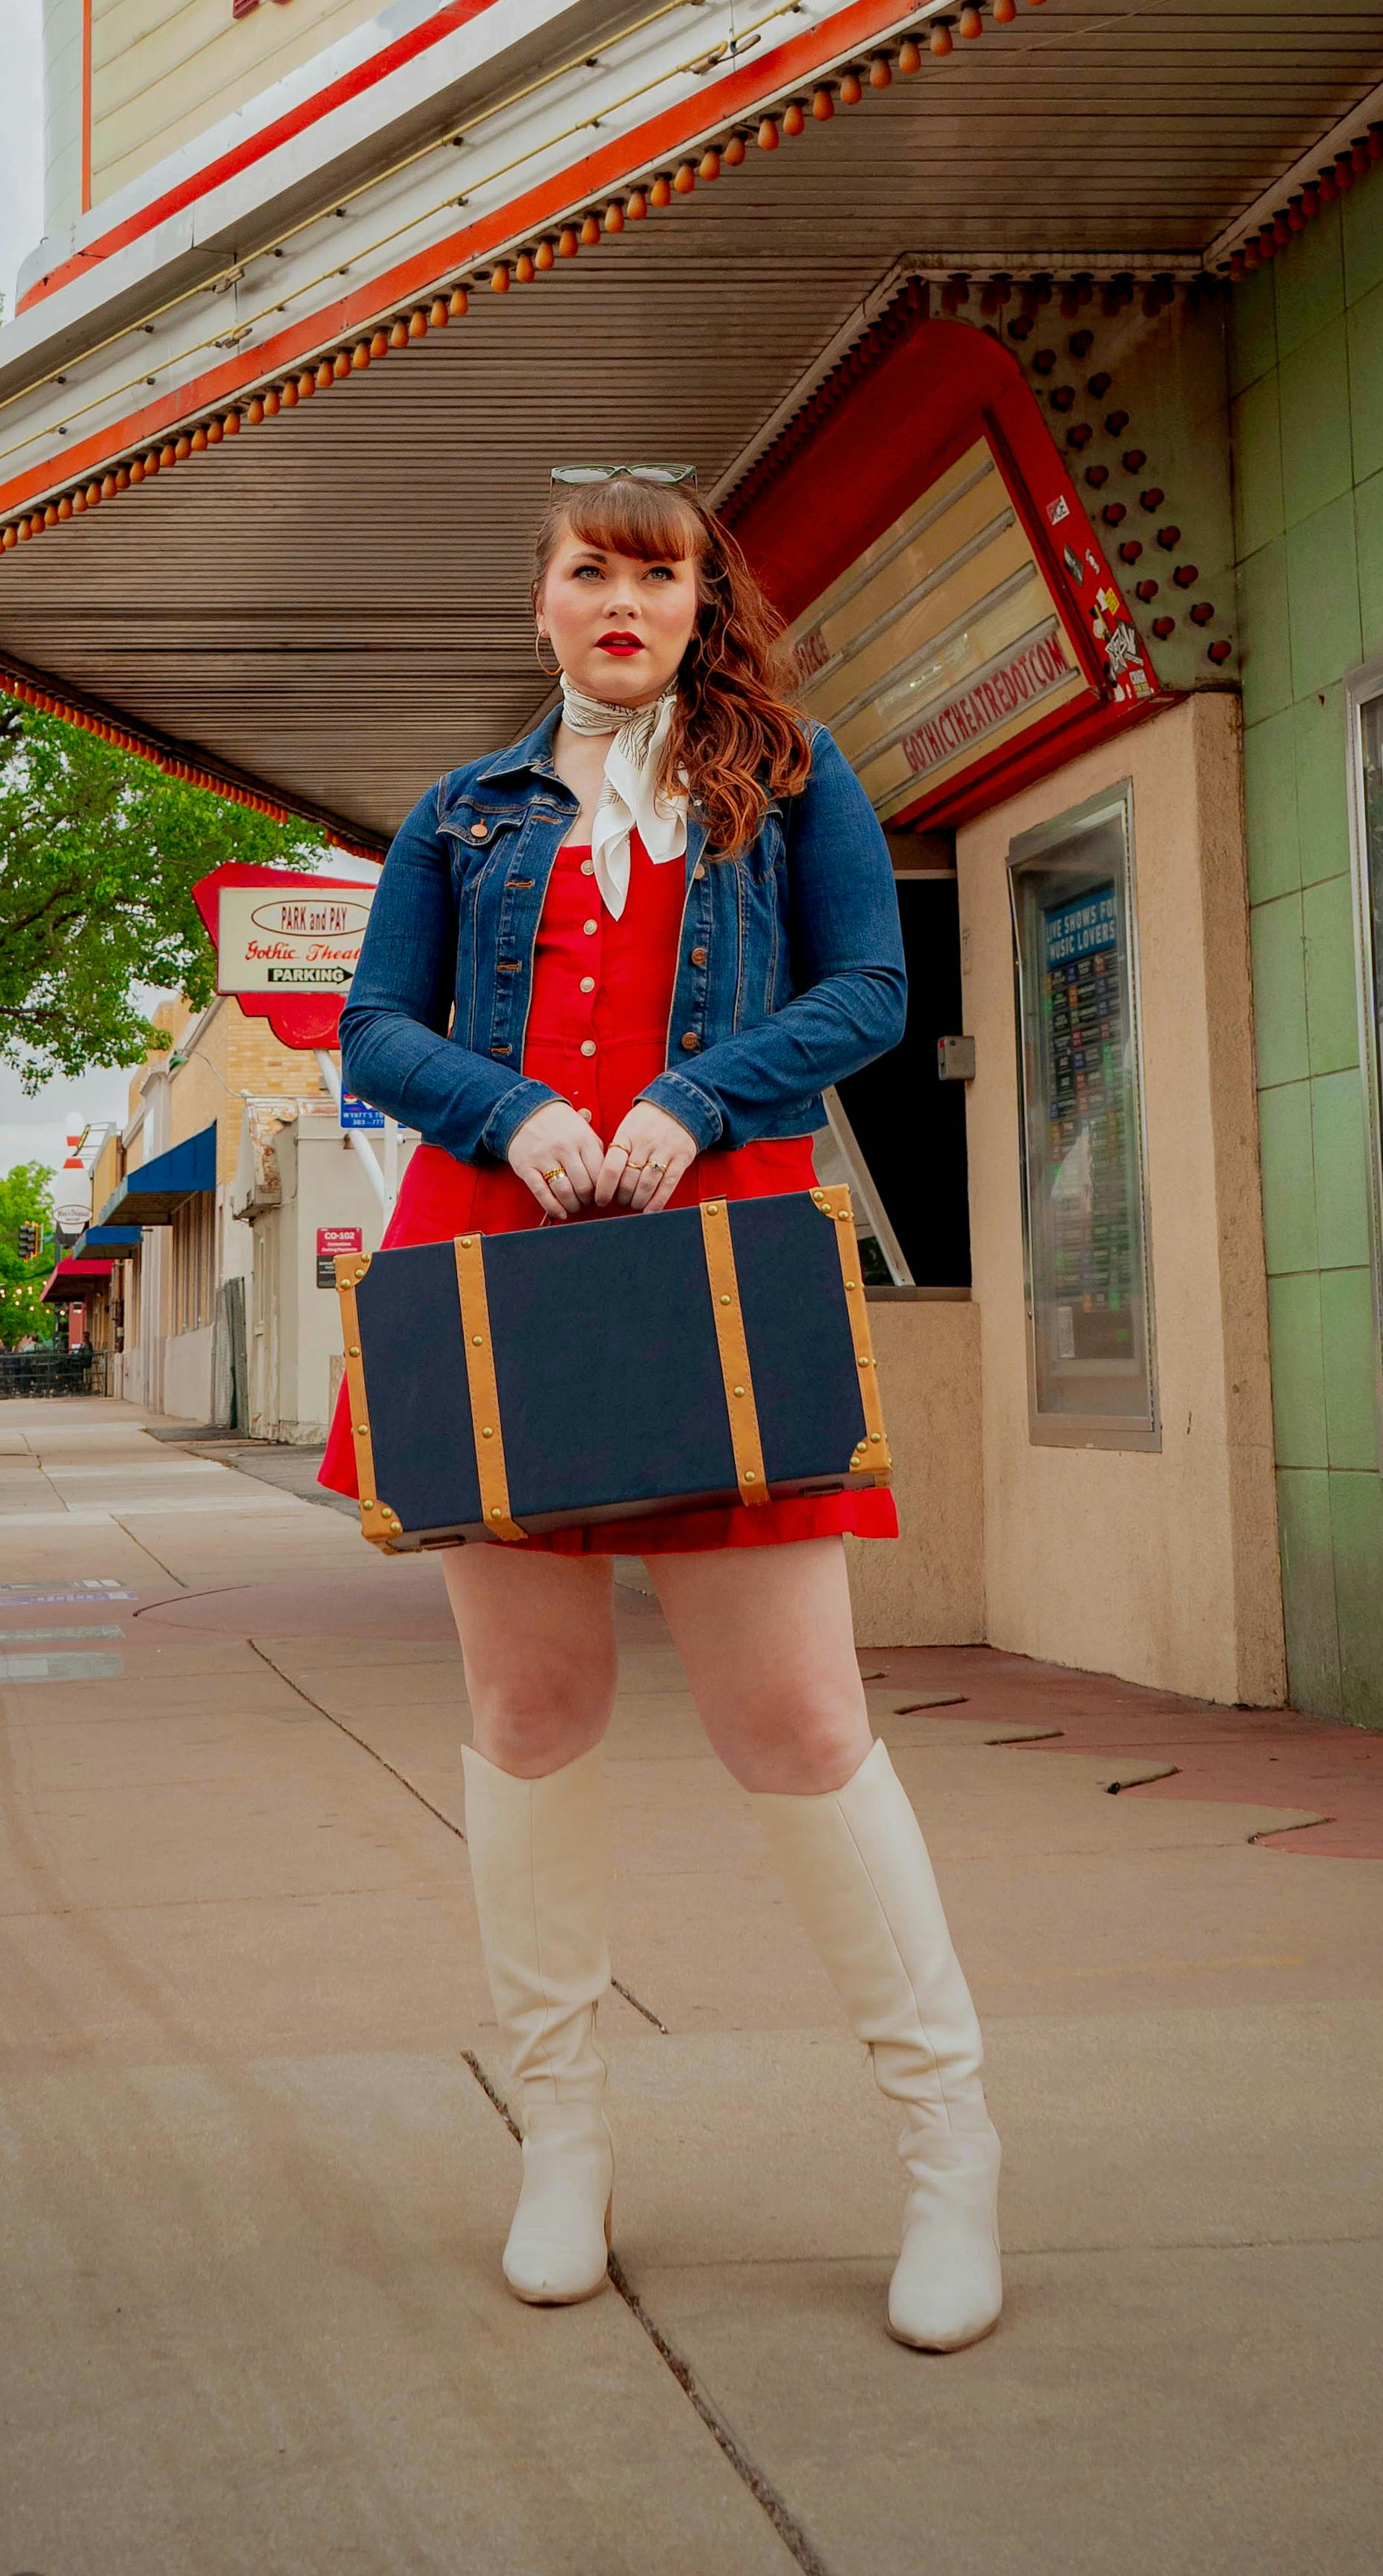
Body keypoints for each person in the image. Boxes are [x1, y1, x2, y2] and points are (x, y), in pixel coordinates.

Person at [322, 468, 1004, 2354]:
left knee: (794, 1720)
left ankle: (948, 2156)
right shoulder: (460, 815)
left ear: (703, 602)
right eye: (587, 569)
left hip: (721, 1242)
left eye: (659, 571)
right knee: (529, 1708)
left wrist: (702, 1093)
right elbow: (371, 1023)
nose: (622, 598)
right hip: (500, 1243)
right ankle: (562, 2144)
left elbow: (867, 985)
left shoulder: (789, 778)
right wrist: (510, 1109)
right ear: (536, 599)